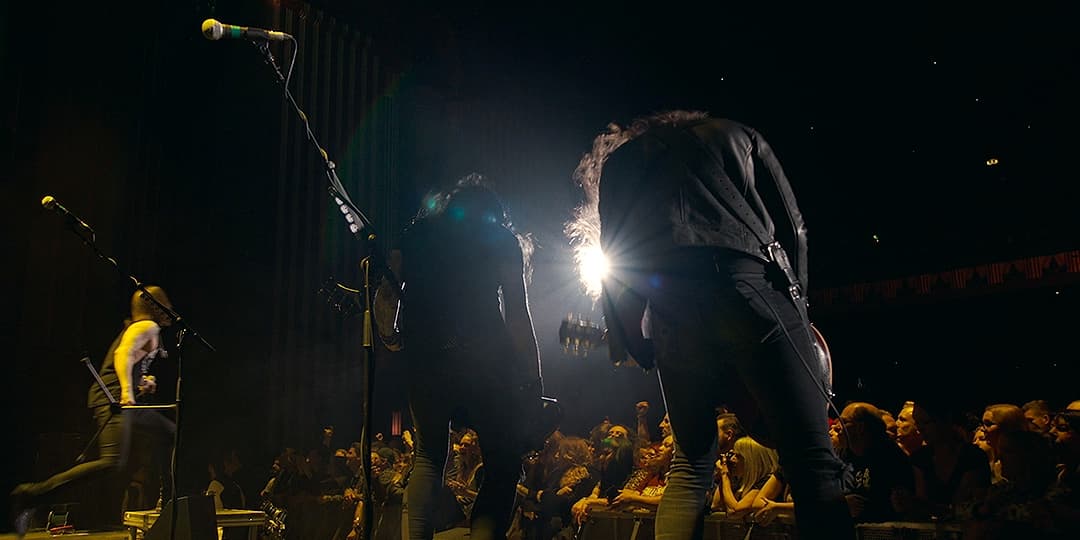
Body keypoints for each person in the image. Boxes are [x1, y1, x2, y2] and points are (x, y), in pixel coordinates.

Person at [569, 112, 853, 539]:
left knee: (690, 463)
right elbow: (794, 226)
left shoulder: (622, 161)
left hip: (671, 313)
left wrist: (640, 345)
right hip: (749, 286)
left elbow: (617, 261)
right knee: (811, 461)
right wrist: (797, 311)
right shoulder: (738, 134)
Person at [378, 174, 544, 540]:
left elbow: (386, 297)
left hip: (426, 360)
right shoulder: (501, 239)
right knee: (502, 463)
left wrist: (392, 341)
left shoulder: (417, 234)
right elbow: (517, 315)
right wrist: (533, 382)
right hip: (485, 361)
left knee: (428, 456)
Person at [11, 286, 178, 531]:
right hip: (113, 397)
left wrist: (143, 382)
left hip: (122, 399)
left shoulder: (144, 330)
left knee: (170, 432)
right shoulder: (146, 326)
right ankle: (31, 494)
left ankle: (166, 502)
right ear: (154, 305)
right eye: (165, 303)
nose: (170, 309)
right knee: (112, 462)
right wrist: (127, 391)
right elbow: (123, 354)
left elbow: (131, 361)